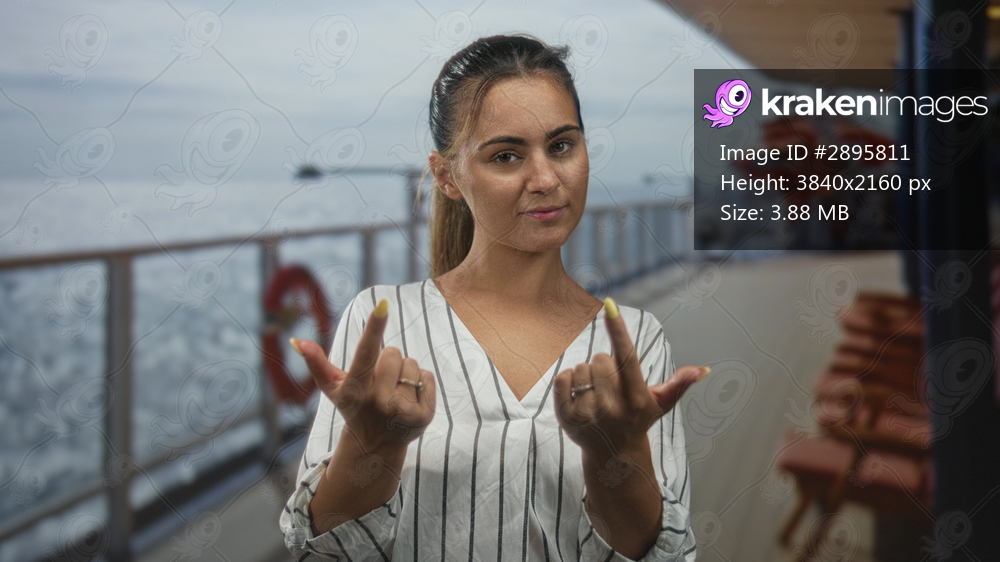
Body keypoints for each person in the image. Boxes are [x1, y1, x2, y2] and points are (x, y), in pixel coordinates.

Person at [279, 34, 708, 562]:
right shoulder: (382, 323)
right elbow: (316, 551)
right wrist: (371, 448)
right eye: (506, 156)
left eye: (562, 146)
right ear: (447, 176)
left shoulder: (637, 340)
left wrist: (616, 459)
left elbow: (663, 555)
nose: (546, 179)